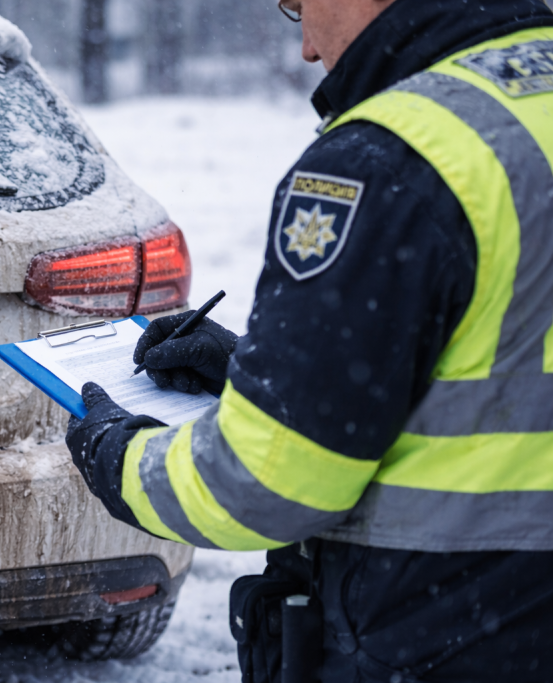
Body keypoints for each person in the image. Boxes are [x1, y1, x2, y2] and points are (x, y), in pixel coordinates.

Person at [65, 0, 553, 680]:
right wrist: (258, 373)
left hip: (445, 633)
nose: (307, 50)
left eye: (298, 6)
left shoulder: (389, 158)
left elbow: (264, 486)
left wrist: (120, 458)